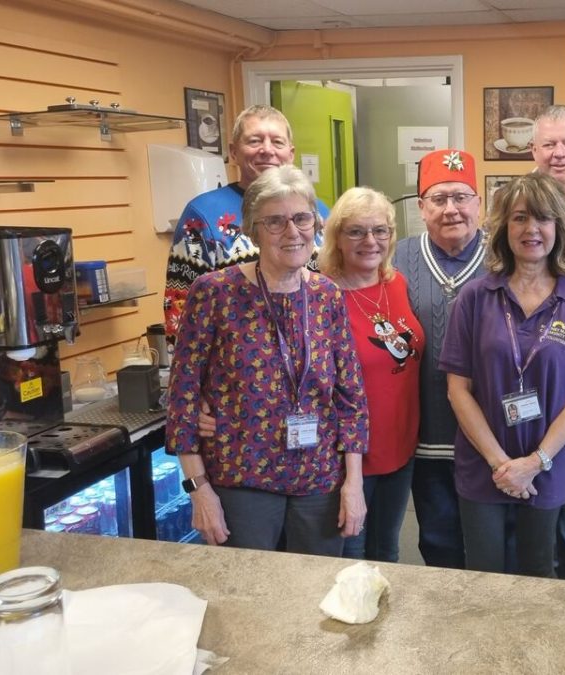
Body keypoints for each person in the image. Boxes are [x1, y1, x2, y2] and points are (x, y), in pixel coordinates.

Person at [166, 165, 368, 554]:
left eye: (301, 218)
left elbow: (351, 396)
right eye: (274, 222)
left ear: (317, 223)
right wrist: (198, 490)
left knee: (316, 595)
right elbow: (183, 397)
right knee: (250, 598)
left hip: (319, 481)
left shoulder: (327, 294)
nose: (292, 232)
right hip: (241, 483)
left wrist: (353, 483)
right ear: (252, 230)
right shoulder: (214, 293)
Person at [440, 173, 565, 577]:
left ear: (559, 228)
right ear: (503, 229)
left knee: (539, 574)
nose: (531, 229)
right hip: (483, 465)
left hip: (547, 467)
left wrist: (534, 462)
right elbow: (458, 390)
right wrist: (502, 465)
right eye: (519, 218)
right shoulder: (475, 297)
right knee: (484, 574)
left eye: (543, 218)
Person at [393, 148, 487, 569]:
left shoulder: (507, 255)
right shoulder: (395, 257)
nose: (451, 209)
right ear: (421, 207)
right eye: (439, 199)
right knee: (437, 539)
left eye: (461, 197)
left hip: (490, 433)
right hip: (425, 430)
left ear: (478, 203)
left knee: (491, 542)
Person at [163, 104, 329, 340]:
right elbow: (179, 309)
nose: (267, 150)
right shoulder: (202, 215)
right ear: (233, 152)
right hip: (237, 363)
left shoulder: (317, 210)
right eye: (254, 141)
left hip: (311, 359)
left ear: (291, 154)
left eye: (277, 142)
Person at [322, 187, 424, 563]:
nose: (370, 241)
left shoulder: (396, 283)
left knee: (388, 549)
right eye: (356, 231)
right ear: (337, 237)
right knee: (352, 556)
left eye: (380, 231)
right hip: (348, 455)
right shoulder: (321, 293)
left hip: (400, 444)